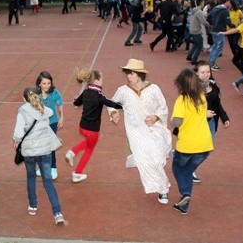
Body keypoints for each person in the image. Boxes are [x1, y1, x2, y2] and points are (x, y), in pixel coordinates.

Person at [107, 59, 172, 205]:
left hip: (156, 130)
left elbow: (163, 107)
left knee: (157, 159)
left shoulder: (154, 88)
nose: (129, 77)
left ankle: (155, 176)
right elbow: (112, 104)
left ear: (140, 75)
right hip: (136, 132)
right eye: (128, 74)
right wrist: (113, 113)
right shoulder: (123, 91)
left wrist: (156, 117)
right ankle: (163, 190)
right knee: (148, 161)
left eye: (132, 74)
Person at [13, 87, 64, 224]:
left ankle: (33, 205)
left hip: (29, 152)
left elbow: (18, 134)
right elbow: (51, 112)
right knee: (48, 181)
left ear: (24, 99)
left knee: (31, 176)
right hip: (45, 151)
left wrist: (17, 141)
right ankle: (57, 212)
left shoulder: (22, 112)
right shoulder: (45, 111)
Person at [65, 68, 122, 183]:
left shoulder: (85, 92)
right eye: (101, 79)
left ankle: (72, 152)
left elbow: (77, 102)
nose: (102, 81)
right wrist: (124, 105)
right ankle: (77, 173)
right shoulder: (99, 95)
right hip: (93, 129)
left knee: (89, 143)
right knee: (89, 149)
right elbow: (112, 103)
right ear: (96, 81)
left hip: (82, 127)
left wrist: (75, 99)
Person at [170, 68, 214, 215]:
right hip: (205, 145)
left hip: (187, 145)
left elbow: (176, 121)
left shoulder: (182, 99)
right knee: (188, 171)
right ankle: (184, 206)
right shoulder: (201, 97)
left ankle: (185, 193)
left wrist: (171, 120)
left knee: (177, 168)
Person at [35, 71, 64, 180]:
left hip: (52, 122)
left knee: (50, 146)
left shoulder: (54, 93)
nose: (47, 86)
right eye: (44, 83)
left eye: (48, 83)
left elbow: (59, 105)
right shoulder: (36, 94)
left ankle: (53, 168)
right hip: (40, 123)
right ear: (39, 84)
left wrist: (62, 117)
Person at [195, 61, 230, 141]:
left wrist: (224, 117)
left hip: (211, 122)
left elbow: (217, 103)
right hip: (197, 123)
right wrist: (203, 114)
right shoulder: (192, 89)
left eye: (208, 71)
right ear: (196, 73)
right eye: (202, 72)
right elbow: (188, 109)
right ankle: (178, 153)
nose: (206, 74)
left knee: (208, 147)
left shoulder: (212, 84)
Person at [207, 0, 234, 70]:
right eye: (229, 2)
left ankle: (209, 61)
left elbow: (208, 18)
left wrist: (213, 24)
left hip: (214, 29)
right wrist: (236, 26)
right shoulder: (225, 11)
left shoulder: (215, 8)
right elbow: (228, 23)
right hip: (220, 30)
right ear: (226, 2)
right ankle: (212, 63)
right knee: (219, 48)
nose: (230, 3)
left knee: (215, 46)